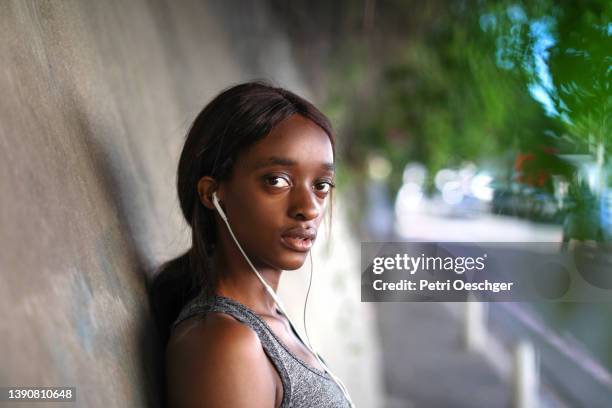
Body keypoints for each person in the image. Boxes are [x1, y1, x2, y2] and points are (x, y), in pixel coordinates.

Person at [148, 81, 354, 407]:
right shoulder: (224, 342)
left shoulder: (271, 322)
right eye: (277, 181)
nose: (310, 208)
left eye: (321, 184)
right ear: (212, 194)